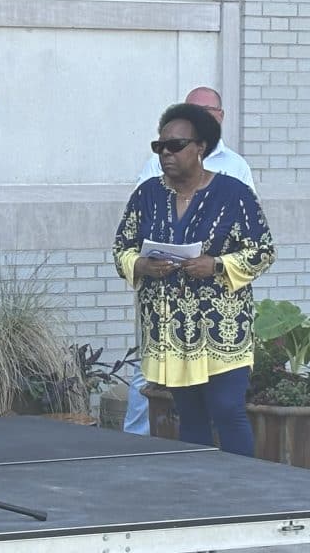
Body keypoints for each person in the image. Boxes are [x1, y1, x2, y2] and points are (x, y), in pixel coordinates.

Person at [113, 103, 275, 457]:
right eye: (160, 147)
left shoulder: (234, 194)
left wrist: (215, 265)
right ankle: (204, 492)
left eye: (175, 146)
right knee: (189, 415)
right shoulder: (147, 195)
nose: (165, 154)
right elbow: (120, 247)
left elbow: (263, 250)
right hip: (171, 331)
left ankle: (244, 490)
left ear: (200, 148)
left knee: (227, 410)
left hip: (222, 330)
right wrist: (141, 265)